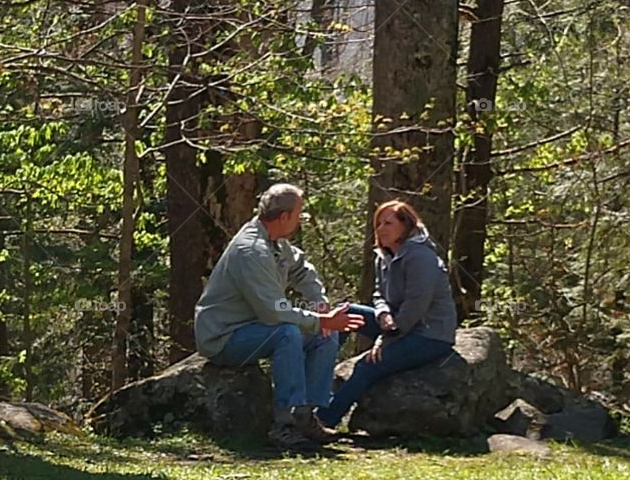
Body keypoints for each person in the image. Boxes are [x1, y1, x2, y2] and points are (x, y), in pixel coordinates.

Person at [194, 183, 364, 452]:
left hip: (256, 328)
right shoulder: (252, 251)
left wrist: (319, 305)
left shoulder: (275, 243)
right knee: (288, 333)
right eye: (299, 214)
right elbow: (274, 312)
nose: (300, 220)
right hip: (223, 337)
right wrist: (321, 319)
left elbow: (302, 269)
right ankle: (283, 425)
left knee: (323, 336)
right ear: (284, 217)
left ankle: (306, 417)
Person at [315, 200, 458, 430]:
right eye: (378, 223)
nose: (381, 228)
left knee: (367, 365)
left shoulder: (421, 257)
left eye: (388, 223)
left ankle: (323, 421)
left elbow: (416, 306)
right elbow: (379, 294)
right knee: (346, 313)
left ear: (406, 226)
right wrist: (382, 314)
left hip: (429, 334)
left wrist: (387, 337)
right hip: (396, 324)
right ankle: (315, 391)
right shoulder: (384, 256)